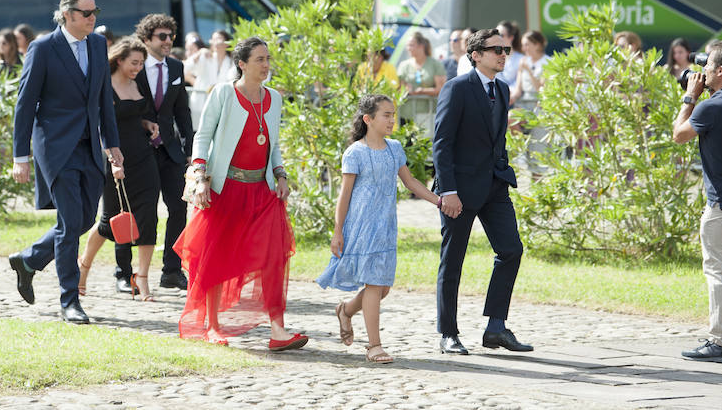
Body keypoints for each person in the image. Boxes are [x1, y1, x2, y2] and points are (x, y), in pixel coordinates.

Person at [174, 37, 306, 351]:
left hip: (262, 191)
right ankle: (214, 327)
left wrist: (280, 174)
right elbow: (202, 136)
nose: (266, 65)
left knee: (273, 257)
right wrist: (200, 175)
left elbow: (274, 145)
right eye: (259, 59)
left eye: (268, 58)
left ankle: (278, 330)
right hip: (225, 189)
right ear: (242, 64)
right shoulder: (223, 93)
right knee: (216, 258)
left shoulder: (274, 98)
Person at [8, 0, 123, 324]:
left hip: (89, 146)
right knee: (72, 221)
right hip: (55, 147)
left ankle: (28, 260)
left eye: (95, 12)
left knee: (84, 219)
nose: (92, 19)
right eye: (87, 13)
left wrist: (112, 143)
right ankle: (69, 301)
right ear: (67, 14)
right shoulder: (43, 48)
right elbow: (25, 104)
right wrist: (20, 156)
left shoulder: (99, 45)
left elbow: (103, 100)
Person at [316, 94, 440, 363]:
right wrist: (338, 231)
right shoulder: (355, 153)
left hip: (386, 226)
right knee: (374, 285)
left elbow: (410, 183)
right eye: (386, 115)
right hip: (360, 226)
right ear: (368, 119)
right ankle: (374, 345)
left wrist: (438, 201)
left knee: (382, 288)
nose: (392, 120)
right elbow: (344, 194)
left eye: (393, 114)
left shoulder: (395, 148)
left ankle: (346, 311)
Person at [433, 28, 532, 355]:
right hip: (458, 191)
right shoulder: (457, 88)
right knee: (453, 262)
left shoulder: (502, 89)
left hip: (494, 186)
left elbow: (495, 138)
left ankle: (495, 328)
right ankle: (448, 333)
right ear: (476, 55)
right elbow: (442, 143)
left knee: (511, 251)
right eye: (496, 50)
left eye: (506, 49)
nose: (503, 54)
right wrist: (447, 190)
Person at [672, 41, 722, 363]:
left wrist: (690, 97)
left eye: (709, 66)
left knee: (718, 271)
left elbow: (679, 135)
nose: (705, 71)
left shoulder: (710, 107)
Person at [78, 38, 160, 301]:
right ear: (119, 60)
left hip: (144, 157)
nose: (138, 67)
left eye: (142, 63)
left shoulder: (139, 82)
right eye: (134, 63)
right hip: (112, 156)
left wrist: (147, 123)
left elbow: (134, 115)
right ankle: (83, 267)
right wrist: (113, 161)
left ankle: (143, 278)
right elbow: (100, 127)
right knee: (109, 222)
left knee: (148, 216)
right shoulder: (104, 85)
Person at [133, 13, 194, 291]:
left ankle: (172, 270)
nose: (168, 41)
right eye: (162, 36)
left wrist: (190, 150)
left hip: (170, 150)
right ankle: (127, 272)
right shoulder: (133, 65)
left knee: (179, 207)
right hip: (139, 148)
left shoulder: (176, 67)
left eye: (171, 36)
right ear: (147, 39)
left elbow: (182, 111)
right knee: (142, 212)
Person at [510, 30, 551, 176]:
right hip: (524, 103)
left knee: (537, 146)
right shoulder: (523, 61)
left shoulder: (547, 62)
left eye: (527, 44)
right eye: (523, 45)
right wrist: (509, 98)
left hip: (539, 104)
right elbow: (518, 88)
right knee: (510, 118)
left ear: (537, 44)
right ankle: (520, 150)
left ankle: (538, 183)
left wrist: (530, 71)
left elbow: (541, 88)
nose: (524, 48)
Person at [185, 29, 234, 130]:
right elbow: (187, 68)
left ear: (227, 43)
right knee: (197, 132)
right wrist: (198, 54)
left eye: (219, 39)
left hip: (220, 106)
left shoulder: (231, 62)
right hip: (200, 103)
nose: (215, 42)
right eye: (213, 39)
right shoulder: (205, 56)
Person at [397, 32, 446, 134]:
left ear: (421, 46)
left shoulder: (435, 64)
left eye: (411, 45)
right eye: (407, 45)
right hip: (406, 115)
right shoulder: (403, 65)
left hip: (427, 114)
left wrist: (421, 91)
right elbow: (399, 87)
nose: (408, 48)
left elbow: (441, 89)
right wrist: (406, 89)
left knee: (425, 146)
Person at [496, 21, 524, 89]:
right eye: (496, 35)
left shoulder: (521, 59)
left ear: (511, 37)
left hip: (514, 97)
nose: (497, 38)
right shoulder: (491, 57)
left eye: (501, 35)